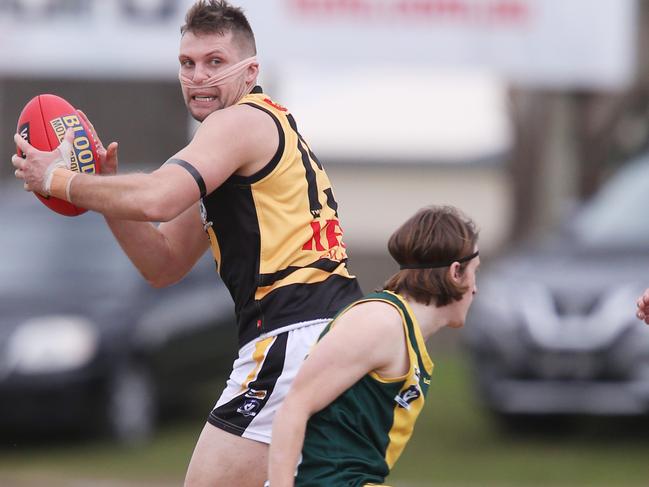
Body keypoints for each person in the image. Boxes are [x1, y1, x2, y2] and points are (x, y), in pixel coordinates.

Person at [11, 1, 362, 486]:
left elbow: (158, 196)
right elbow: (164, 263)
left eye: (215, 62)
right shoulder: (250, 139)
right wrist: (109, 196)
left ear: (250, 70)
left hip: (293, 335)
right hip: (330, 334)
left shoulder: (236, 123)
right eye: (187, 63)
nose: (198, 76)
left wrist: (59, 179)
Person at [268, 205, 480, 487]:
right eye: (475, 272)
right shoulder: (381, 322)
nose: (476, 288)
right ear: (456, 272)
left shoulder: (404, 332)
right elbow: (294, 405)